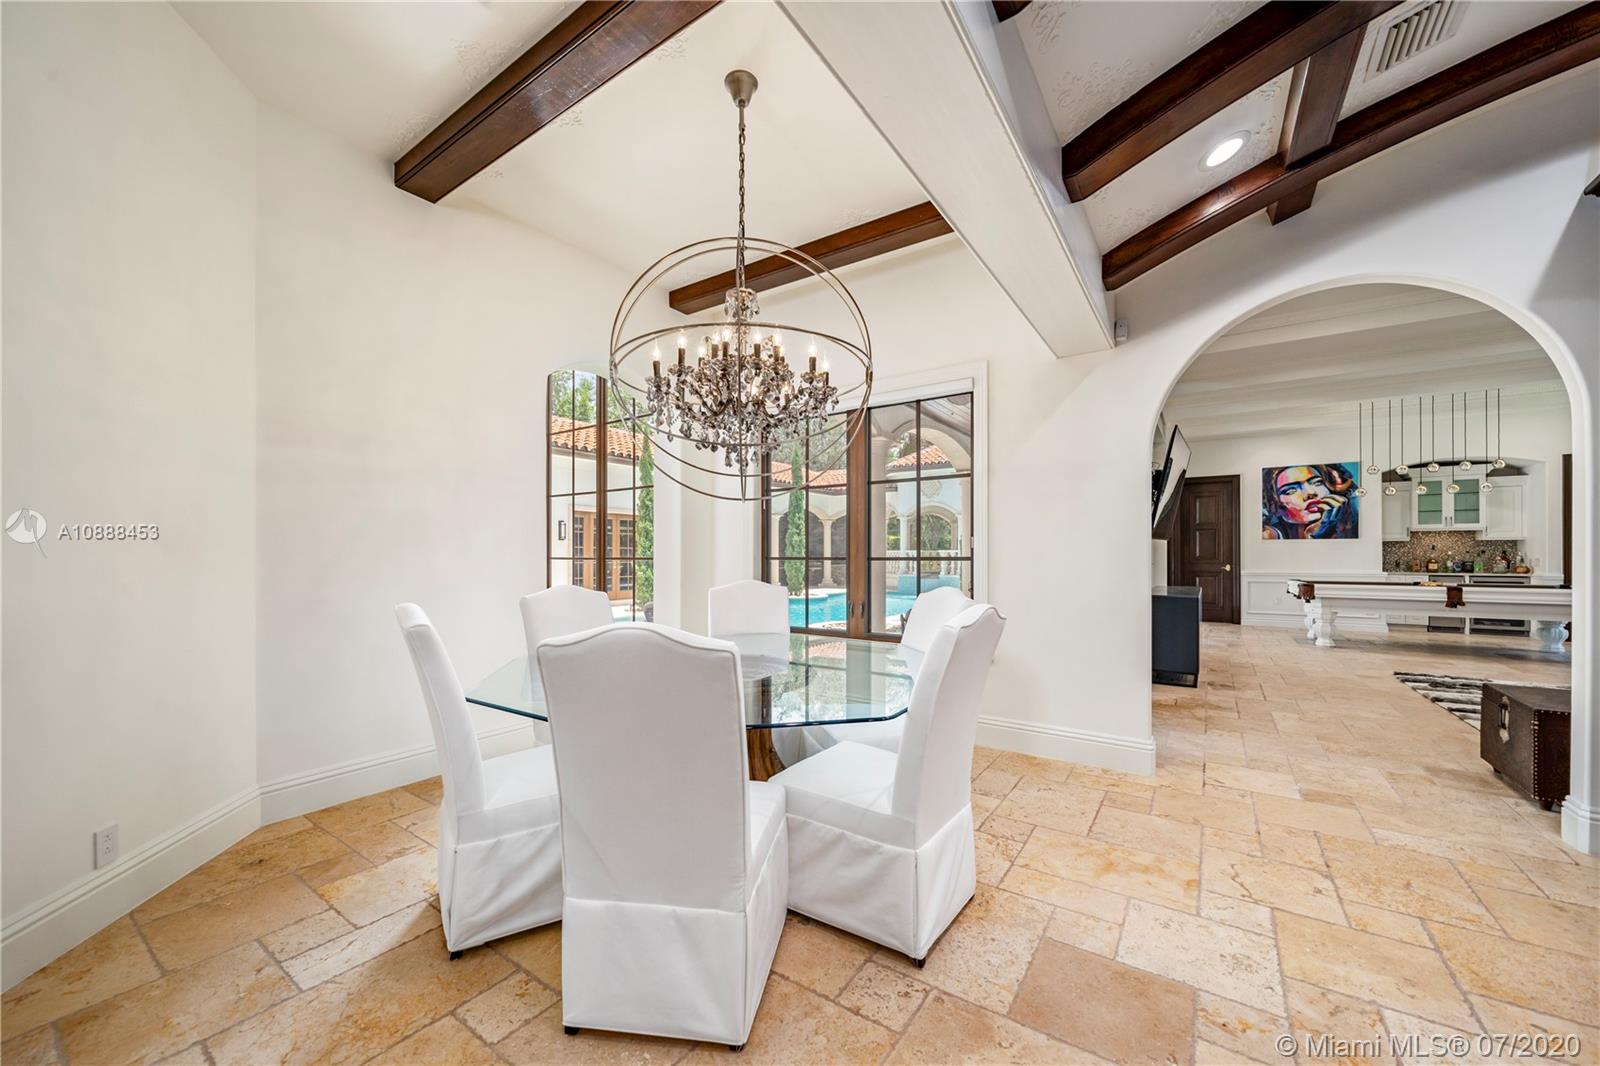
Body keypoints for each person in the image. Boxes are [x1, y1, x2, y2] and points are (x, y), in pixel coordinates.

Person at [1262, 464, 1358, 540]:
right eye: (1290, 491)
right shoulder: (1268, 535)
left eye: (1317, 482)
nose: (1310, 493)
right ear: (1276, 504)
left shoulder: (1351, 521)